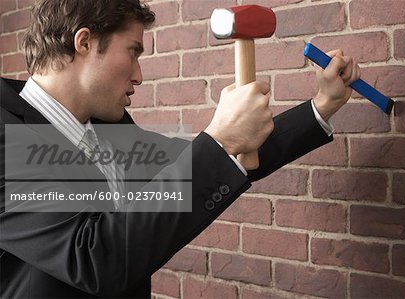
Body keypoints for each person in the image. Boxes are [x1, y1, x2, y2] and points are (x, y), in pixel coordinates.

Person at [0, 0, 361, 298]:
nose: (139, 75)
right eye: (133, 51)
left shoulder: (108, 127)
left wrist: (321, 105)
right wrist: (219, 139)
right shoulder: (6, 133)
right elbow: (93, 257)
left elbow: (218, 159)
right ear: (84, 43)